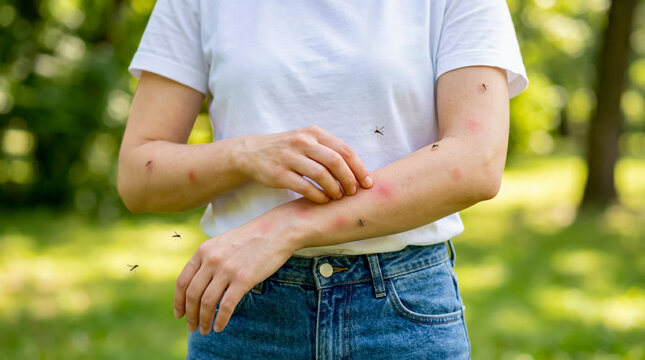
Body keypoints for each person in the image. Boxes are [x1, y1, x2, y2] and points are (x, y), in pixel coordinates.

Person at [118, 0, 528, 358]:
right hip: (243, 310)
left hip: (402, 314)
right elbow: (138, 176)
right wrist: (244, 154)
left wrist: (286, 227)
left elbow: (477, 160)